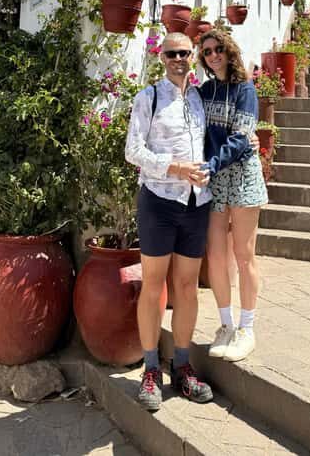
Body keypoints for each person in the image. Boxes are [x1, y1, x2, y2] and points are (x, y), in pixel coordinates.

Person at [125, 32, 214, 412]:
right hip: (159, 202)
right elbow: (133, 151)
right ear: (162, 57)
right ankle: (149, 369)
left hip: (196, 204)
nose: (179, 58)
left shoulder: (199, 99)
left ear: (193, 57)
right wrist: (173, 168)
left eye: (184, 53)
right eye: (171, 53)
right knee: (154, 285)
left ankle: (181, 366)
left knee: (188, 287)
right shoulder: (149, 97)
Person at [197, 28, 267, 363]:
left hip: (240, 176)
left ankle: (247, 328)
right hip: (213, 178)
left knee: (244, 254)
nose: (212, 56)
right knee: (216, 255)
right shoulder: (203, 91)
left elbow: (241, 138)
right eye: (207, 51)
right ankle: (225, 325)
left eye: (217, 49)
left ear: (229, 51)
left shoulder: (245, 90)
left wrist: (210, 163)